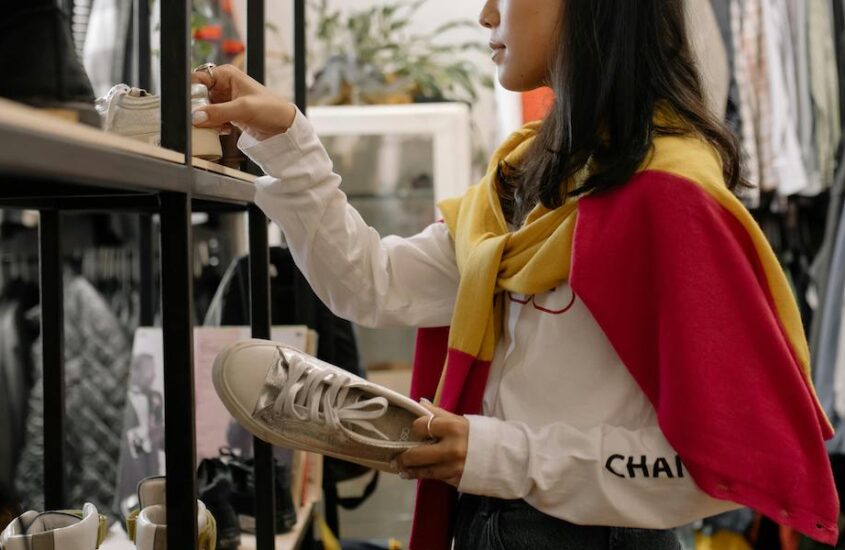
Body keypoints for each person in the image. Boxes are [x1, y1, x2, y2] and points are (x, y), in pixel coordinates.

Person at [191, 1, 838, 549]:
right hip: (483, 520)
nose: (485, 15)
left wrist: (496, 453)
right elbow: (373, 283)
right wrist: (286, 138)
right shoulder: (527, 180)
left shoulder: (667, 198)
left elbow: (706, 468)